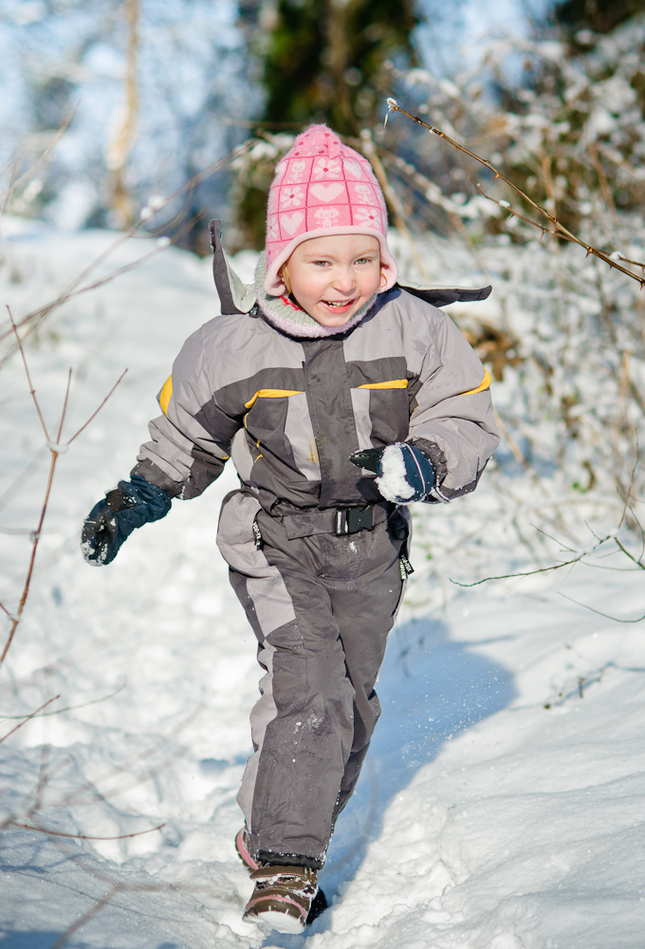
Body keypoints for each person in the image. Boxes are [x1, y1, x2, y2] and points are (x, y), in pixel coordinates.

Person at [81, 124, 500, 934]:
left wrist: (426, 459)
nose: (344, 280)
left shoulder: (414, 327)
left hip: (371, 546)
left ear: (383, 255)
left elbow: (465, 414)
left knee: (352, 710)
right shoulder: (231, 344)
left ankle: (268, 832)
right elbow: (187, 436)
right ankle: (285, 863)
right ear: (281, 262)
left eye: (361, 258)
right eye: (321, 260)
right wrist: (140, 493)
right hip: (273, 540)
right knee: (309, 691)